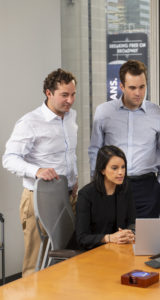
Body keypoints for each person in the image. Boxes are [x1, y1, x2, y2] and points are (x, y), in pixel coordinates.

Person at [2, 68, 78, 277]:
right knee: (36, 263)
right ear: (49, 93)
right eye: (64, 95)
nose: (70, 100)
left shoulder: (71, 117)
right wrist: (37, 171)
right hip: (38, 198)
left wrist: (74, 178)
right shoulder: (30, 122)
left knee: (61, 260)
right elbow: (9, 159)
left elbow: (69, 154)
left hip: (68, 196)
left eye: (73, 94)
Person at [88, 60, 160, 218]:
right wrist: (97, 183)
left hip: (147, 187)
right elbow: (95, 150)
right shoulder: (104, 112)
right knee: (114, 238)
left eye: (142, 87)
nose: (138, 93)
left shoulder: (159, 114)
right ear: (122, 87)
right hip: (112, 184)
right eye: (132, 88)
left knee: (146, 241)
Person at [76, 145, 135, 250]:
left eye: (123, 167)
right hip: (92, 252)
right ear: (102, 170)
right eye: (114, 168)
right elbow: (82, 238)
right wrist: (109, 238)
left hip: (119, 249)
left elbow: (132, 223)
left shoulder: (126, 189)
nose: (121, 172)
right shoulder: (86, 195)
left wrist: (130, 234)